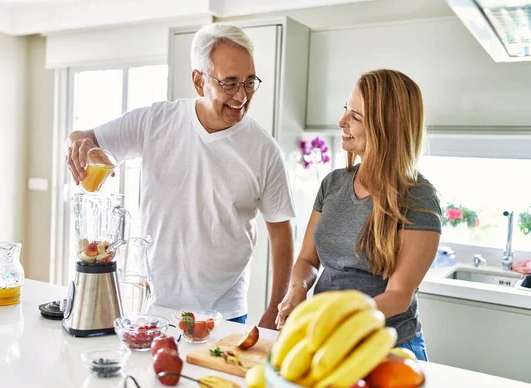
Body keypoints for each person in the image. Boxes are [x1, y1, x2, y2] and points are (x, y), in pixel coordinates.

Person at [66, 23, 295, 329]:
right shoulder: (154, 122)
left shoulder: (264, 150)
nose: (241, 96)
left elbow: (282, 234)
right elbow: (83, 137)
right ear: (199, 81)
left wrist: (274, 309)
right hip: (152, 304)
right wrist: (78, 146)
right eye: (229, 83)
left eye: (249, 82)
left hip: (224, 312)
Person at [275, 69, 442, 360]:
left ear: (386, 127)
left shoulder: (418, 198)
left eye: (356, 117)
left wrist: (337, 322)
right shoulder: (333, 183)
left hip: (387, 349)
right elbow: (307, 259)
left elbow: (399, 295)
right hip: (325, 340)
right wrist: (297, 288)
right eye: (345, 110)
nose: (342, 122)